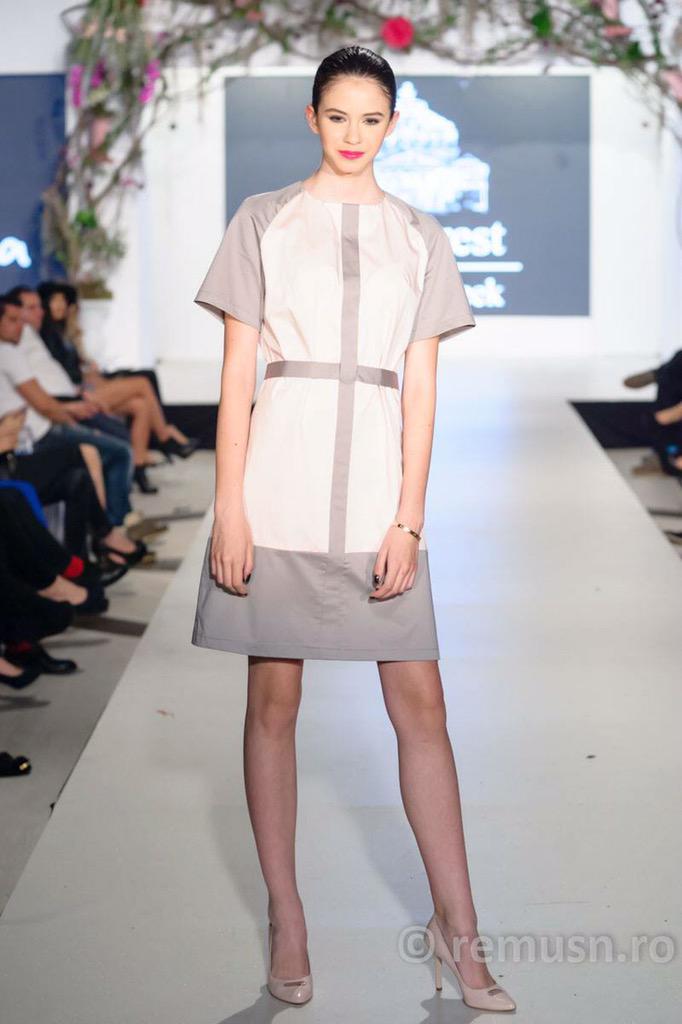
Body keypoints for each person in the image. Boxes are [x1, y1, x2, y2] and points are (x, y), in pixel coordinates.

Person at [190, 46, 516, 1013]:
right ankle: (287, 919)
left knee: (423, 711)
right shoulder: (262, 220)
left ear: (393, 126)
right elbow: (236, 376)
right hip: (277, 492)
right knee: (273, 705)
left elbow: (421, 391)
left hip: (379, 499)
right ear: (312, 116)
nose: (353, 134)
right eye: (337, 115)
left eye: (371, 119)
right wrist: (231, 505)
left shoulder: (420, 236)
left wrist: (409, 519)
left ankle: (460, 929)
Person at [37, 282, 199, 491]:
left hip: (84, 387)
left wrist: (88, 371)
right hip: (77, 394)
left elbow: (72, 370)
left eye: (62, 300)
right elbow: (60, 376)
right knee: (142, 383)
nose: (59, 305)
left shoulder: (63, 333)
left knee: (140, 405)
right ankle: (164, 436)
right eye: (54, 300)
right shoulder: (47, 334)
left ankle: (139, 464)